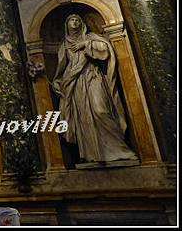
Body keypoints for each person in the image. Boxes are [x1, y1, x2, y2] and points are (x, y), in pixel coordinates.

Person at [52, 14, 137, 163]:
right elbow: (61, 68)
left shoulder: (90, 37)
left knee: (101, 110)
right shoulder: (64, 45)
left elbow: (105, 50)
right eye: (72, 20)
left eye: (78, 19)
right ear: (66, 25)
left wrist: (86, 44)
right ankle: (94, 155)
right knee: (84, 118)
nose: (75, 22)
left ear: (82, 24)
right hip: (75, 84)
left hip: (92, 77)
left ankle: (120, 149)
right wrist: (57, 82)